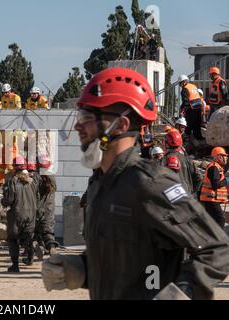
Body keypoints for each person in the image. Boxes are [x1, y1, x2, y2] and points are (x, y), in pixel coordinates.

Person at [42, 67, 229, 300]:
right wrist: (83, 268)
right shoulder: (100, 185)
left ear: (120, 126)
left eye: (87, 119)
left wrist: (183, 292)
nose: (78, 127)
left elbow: (217, 249)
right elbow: (128, 265)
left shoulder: (149, 185)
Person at [2, 156, 39, 272]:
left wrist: (3, 201)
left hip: (17, 213)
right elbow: (37, 197)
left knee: (13, 239)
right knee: (27, 235)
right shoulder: (32, 181)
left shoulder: (13, 181)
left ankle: (15, 265)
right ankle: (31, 253)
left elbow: (9, 200)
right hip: (31, 213)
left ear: (14, 168)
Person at [33, 155, 59, 260]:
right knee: (48, 231)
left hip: (37, 209)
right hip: (49, 210)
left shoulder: (35, 178)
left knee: (36, 230)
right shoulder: (52, 178)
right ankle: (51, 247)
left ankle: (39, 246)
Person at [163, 129, 202, 196]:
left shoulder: (162, 161)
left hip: (169, 199)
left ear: (166, 144)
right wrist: (191, 191)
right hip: (186, 197)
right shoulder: (187, 160)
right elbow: (199, 177)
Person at [199, 147, 228, 229]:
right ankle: (218, 239)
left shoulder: (217, 167)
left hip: (211, 199)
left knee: (214, 221)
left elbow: (224, 169)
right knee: (220, 219)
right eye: (224, 156)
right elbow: (215, 185)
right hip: (211, 199)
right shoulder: (214, 168)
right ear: (219, 157)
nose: (226, 158)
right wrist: (227, 181)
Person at [178, 75, 204, 140]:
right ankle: (199, 137)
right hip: (198, 107)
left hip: (191, 108)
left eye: (180, 83)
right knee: (197, 124)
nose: (180, 85)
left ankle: (187, 137)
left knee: (189, 123)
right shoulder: (193, 86)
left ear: (183, 82)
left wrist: (182, 109)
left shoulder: (185, 89)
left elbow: (185, 101)